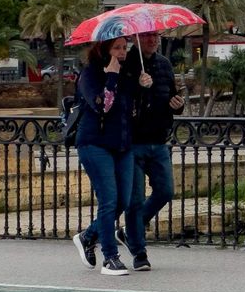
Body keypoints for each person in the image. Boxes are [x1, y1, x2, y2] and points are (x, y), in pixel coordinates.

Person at [71, 37, 138, 276]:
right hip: (94, 143)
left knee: (123, 201)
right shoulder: (90, 75)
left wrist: (143, 86)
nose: (122, 53)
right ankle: (110, 258)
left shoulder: (128, 72)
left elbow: (131, 111)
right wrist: (111, 76)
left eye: (125, 48)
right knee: (109, 200)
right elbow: (102, 106)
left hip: (122, 145)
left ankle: (88, 236)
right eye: (117, 48)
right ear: (104, 49)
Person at [118, 31, 184, 272]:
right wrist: (138, 86)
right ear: (137, 39)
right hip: (134, 142)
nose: (153, 40)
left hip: (159, 141)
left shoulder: (165, 64)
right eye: (147, 36)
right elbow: (120, 100)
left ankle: (130, 230)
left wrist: (179, 105)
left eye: (155, 36)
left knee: (166, 191)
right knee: (134, 200)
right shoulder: (128, 64)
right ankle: (139, 252)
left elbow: (172, 96)